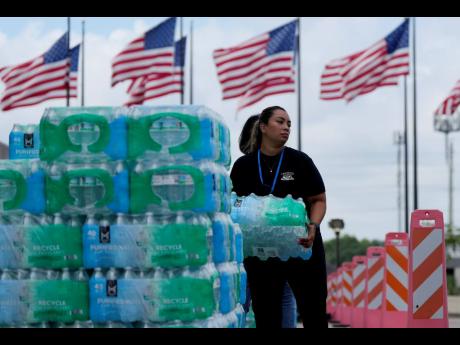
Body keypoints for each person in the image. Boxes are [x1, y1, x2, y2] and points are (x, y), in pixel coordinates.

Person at [231, 106, 327, 328]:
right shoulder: (243, 166)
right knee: (266, 313)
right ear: (263, 127)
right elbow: (235, 206)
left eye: (289, 124)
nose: (286, 128)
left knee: (313, 310)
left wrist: (313, 225)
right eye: (280, 122)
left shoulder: (300, 161)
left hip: (301, 246)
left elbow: (318, 199)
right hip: (262, 254)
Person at [239, 114, 298, 329]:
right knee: (283, 294)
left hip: (250, 246)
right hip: (277, 244)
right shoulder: (283, 166)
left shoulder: (243, 167)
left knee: (242, 297)